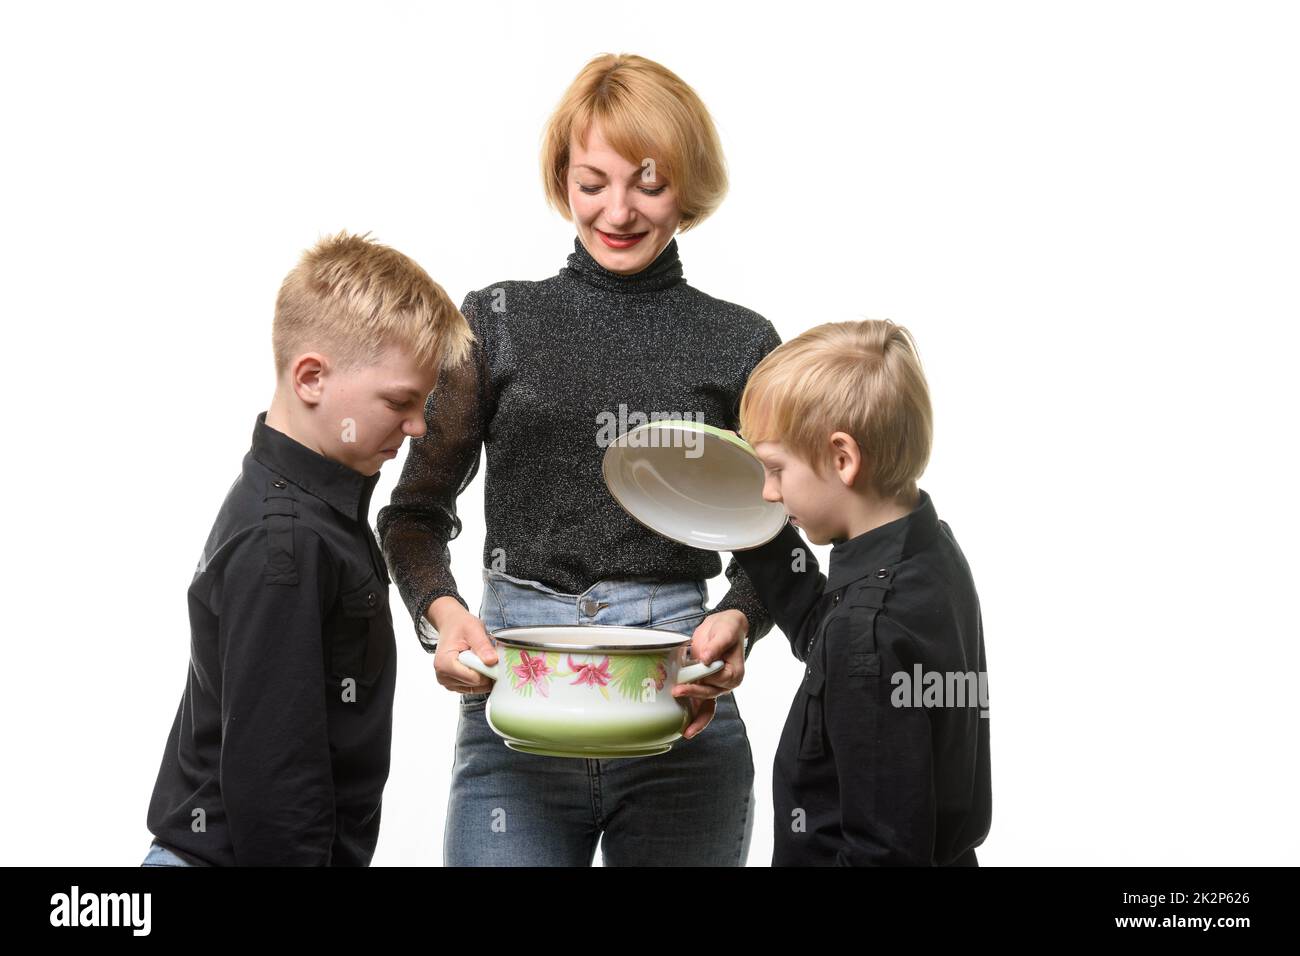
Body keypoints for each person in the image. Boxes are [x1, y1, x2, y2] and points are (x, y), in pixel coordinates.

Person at [377, 53, 781, 866]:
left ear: (689, 185)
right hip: (518, 692)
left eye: (650, 183)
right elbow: (414, 515)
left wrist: (739, 617)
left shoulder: (743, 342)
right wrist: (442, 615)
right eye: (592, 181)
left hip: (678, 692)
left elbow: (785, 538)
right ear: (561, 175)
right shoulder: (497, 321)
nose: (619, 211)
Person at [142, 231, 473, 865]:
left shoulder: (317, 511)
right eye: (400, 403)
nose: (418, 427)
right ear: (312, 378)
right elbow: (274, 776)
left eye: (423, 405)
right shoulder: (284, 542)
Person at [731, 319, 992, 865]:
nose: (767, 491)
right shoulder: (928, 553)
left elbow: (883, 852)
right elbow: (830, 633)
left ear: (843, 458)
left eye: (776, 469)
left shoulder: (864, 634)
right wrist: (749, 534)